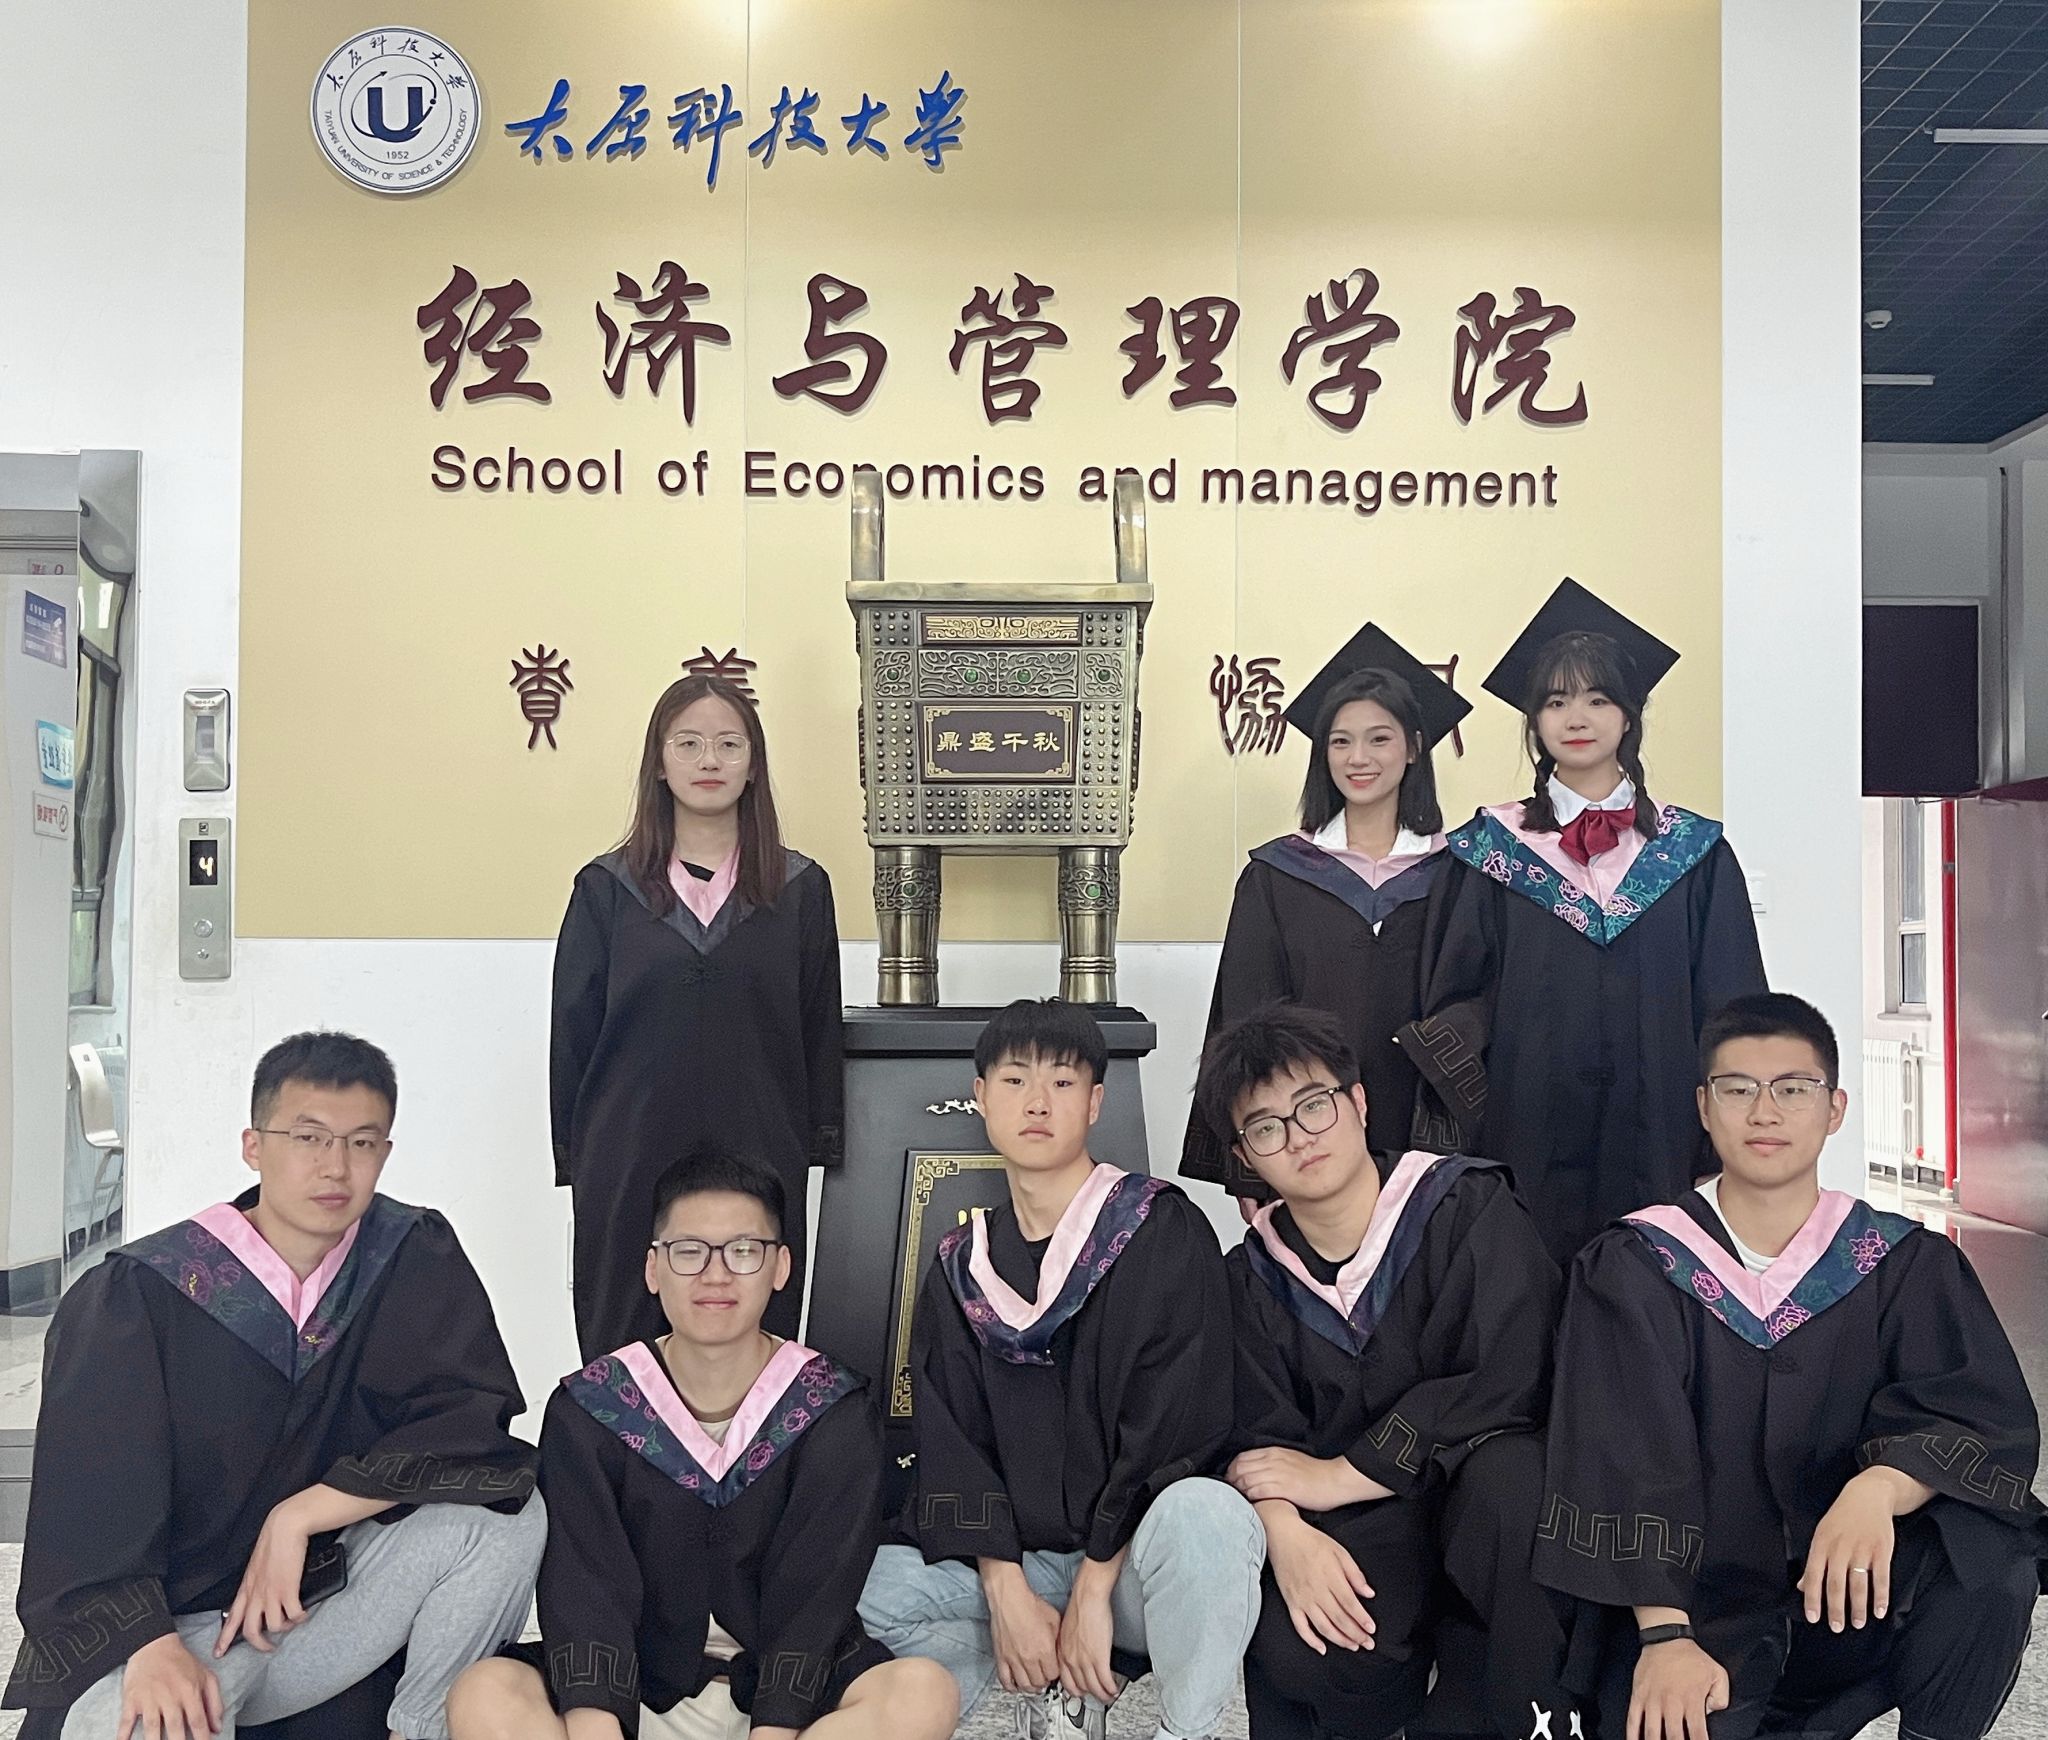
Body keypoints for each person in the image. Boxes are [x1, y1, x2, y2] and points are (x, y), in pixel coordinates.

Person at [5, 1032, 545, 1740]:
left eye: (362, 1142)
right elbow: (87, 1501)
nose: (335, 1166)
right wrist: (148, 1645)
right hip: (172, 1631)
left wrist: (299, 1516)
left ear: (384, 1152)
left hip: (318, 1603)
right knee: (138, 1726)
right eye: (309, 1137)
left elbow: (465, 1423)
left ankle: (421, 1727)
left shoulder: (409, 1255)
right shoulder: (141, 1294)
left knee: (505, 1515)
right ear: (254, 1146)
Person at [1537, 991, 2046, 1740]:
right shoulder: (1638, 1265)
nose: (1765, 1112)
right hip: (1697, 1612)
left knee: (1989, 1559)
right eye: (1738, 1089)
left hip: (1849, 1593)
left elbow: (1975, 1414)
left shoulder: (1902, 1262)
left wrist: (1878, 1488)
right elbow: (1622, 1451)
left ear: (1835, 1109)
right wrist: (1665, 1636)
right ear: (1704, 1107)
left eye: (1793, 1089)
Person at [858, 999, 1264, 1740]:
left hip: (1134, 1567)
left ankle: (1185, 1727)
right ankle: (1050, 1690)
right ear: (980, 1098)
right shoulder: (963, 1265)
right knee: (864, 1591)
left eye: (1063, 1082)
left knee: (1211, 1518)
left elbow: (1177, 1426)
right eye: (1014, 1081)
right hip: (1027, 1564)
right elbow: (951, 1439)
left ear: (1095, 1103)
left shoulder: (1160, 1230)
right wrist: (1004, 1587)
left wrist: (1096, 1589)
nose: (1037, 1102)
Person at [449, 1150, 957, 1740]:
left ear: (780, 1266)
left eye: (743, 1251)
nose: (716, 1275)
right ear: (653, 1269)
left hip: (785, 1696)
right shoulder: (593, 1407)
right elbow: (586, 1587)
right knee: (485, 1691)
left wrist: (775, 1728)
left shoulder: (830, 1408)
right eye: (689, 1251)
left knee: (924, 1693)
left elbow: (817, 1593)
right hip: (632, 1687)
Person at [1196, 1003, 1577, 1740]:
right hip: (1363, 1523)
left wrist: (1345, 1472)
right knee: (1301, 1643)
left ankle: (1527, 1717)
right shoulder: (1249, 1279)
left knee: (1519, 1494)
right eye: (1267, 1128)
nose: (1299, 1138)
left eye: (1314, 1105)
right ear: (1245, 1157)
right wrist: (1283, 1531)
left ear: (1359, 1102)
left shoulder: (1467, 1205)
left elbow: (1512, 1370)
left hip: (1479, 1487)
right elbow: (1253, 1438)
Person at [1408, 580, 1766, 1261]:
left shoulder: (1692, 855)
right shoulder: (1490, 852)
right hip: (1524, 1139)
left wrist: (1722, 1136)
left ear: (1629, 716)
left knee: (1649, 1291)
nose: (1577, 717)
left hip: (1662, 1136)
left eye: (1598, 699)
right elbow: (1454, 999)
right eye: (1555, 701)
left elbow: (1732, 1006)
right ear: (1534, 722)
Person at [552, 672, 843, 1357]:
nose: (709, 760)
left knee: (753, 1321)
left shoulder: (800, 889)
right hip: (630, 1146)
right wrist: (577, 1154)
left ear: (753, 764)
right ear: (659, 762)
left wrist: (819, 1143)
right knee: (627, 1323)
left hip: (761, 1137)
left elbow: (818, 1026)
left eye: (728, 744)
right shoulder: (607, 890)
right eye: (688, 743)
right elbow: (574, 1034)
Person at [1180, 624, 1474, 1213]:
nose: (1358, 758)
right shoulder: (1278, 876)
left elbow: (1480, 1002)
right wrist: (1254, 1172)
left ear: (1413, 748)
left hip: (1428, 1138)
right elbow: (1247, 1021)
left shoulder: (1459, 875)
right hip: (1304, 1140)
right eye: (1341, 742)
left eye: (1379, 739)